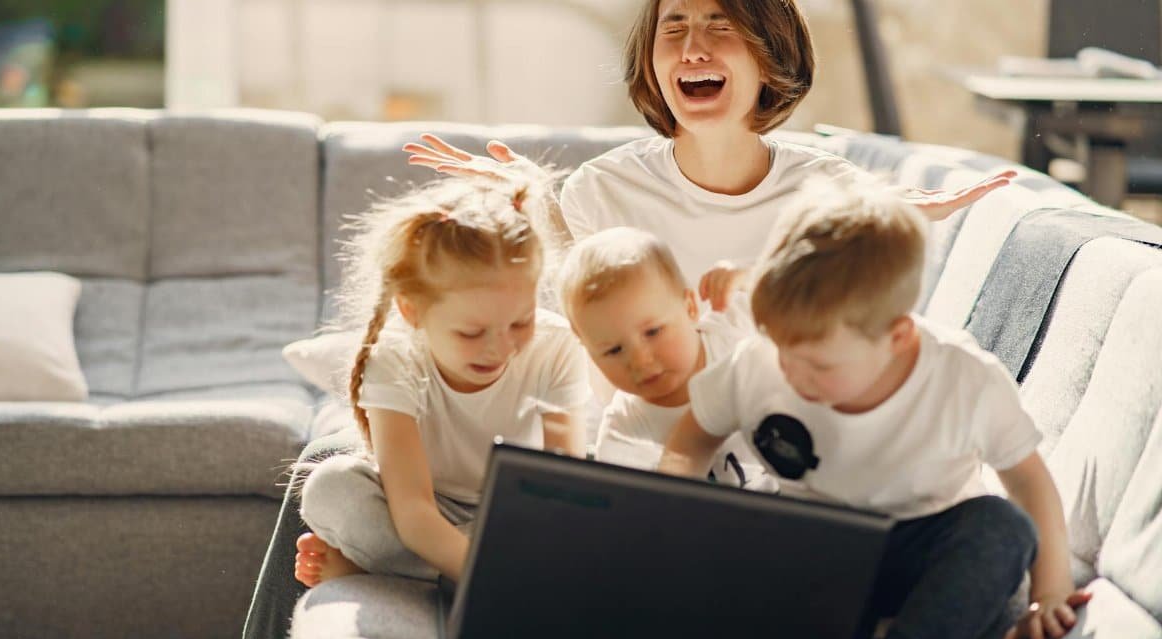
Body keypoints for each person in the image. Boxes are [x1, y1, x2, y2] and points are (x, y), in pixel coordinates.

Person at [658, 182, 1090, 639]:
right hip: (810, 540)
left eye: (819, 365)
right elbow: (694, 436)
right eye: (782, 351)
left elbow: (1028, 481)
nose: (792, 375)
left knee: (1002, 528)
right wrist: (675, 510)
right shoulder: (757, 362)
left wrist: (1050, 590)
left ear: (897, 337)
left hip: (919, 545)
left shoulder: (965, 380)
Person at [403, 0, 1015, 306]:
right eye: (673, 28)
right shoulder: (602, 189)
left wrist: (882, 228)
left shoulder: (831, 192)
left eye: (720, 26)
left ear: (769, 56)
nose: (693, 48)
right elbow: (577, 323)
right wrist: (537, 203)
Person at [293, 176, 589, 586]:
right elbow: (413, 510)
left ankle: (393, 569)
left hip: (517, 511)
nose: (499, 348)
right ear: (412, 312)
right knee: (331, 487)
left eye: (520, 323)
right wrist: (491, 577)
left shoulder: (556, 346)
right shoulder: (395, 356)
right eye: (471, 333)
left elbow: (564, 486)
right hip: (427, 509)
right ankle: (491, 571)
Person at [556, 226, 775, 491]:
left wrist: (749, 276)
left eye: (653, 332)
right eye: (613, 350)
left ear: (690, 307)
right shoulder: (624, 430)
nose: (640, 361)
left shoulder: (732, 328)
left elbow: (801, 291)